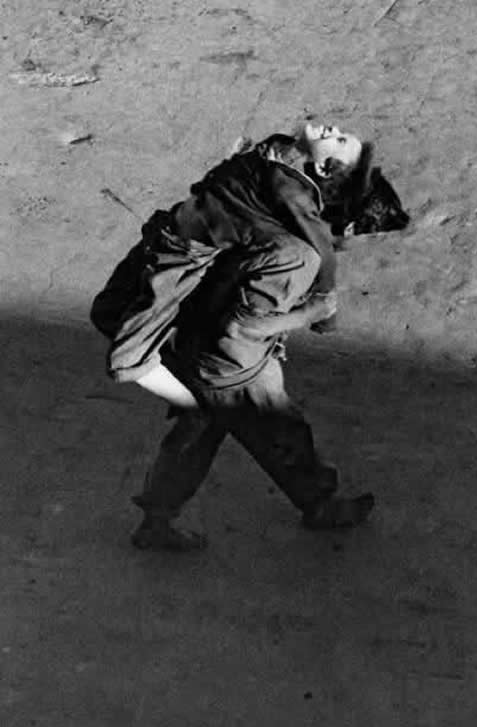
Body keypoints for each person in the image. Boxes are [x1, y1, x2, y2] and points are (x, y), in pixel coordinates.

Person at [90, 121, 409, 550]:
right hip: (234, 367)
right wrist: (309, 313)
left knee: (195, 434)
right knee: (282, 432)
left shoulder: (265, 207)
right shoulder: (298, 255)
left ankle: (156, 519)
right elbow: (245, 325)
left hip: (193, 339)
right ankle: (321, 505)